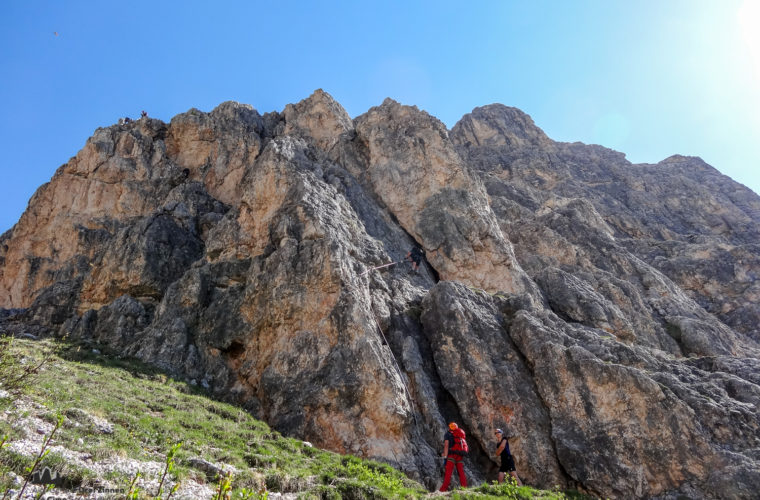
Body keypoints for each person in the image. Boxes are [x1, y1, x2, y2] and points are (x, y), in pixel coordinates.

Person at [440, 422, 467, 491]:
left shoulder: (448, 434)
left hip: (451, 455)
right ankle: (464, 488)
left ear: (449, 427)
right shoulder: (459, 435)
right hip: (459, 455)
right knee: (461, 472)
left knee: (448, 473)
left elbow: (446, 445)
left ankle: (443, 489)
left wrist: (445, 457)